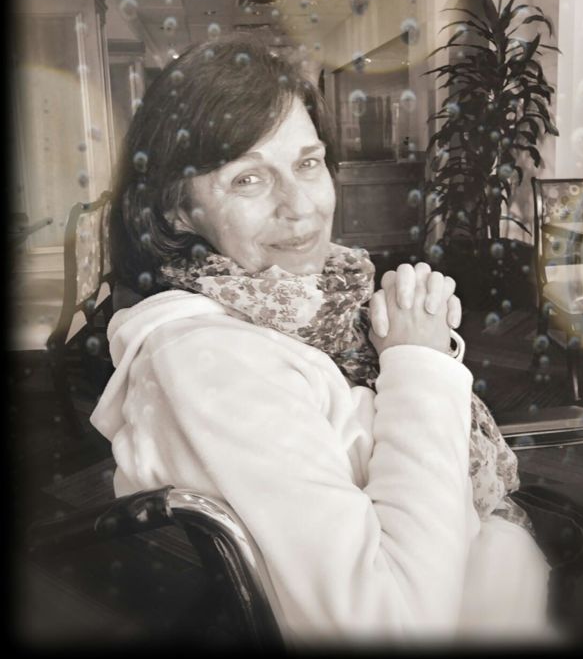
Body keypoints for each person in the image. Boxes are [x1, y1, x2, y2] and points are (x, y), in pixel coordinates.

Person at [90, 34, 552, 647]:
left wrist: (412, 342)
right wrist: (417, 363)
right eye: (248, 179)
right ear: (177, 210)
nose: (300, 207)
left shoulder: (305, 309)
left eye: (307, 164)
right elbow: (392, 625)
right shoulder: (212, 365)